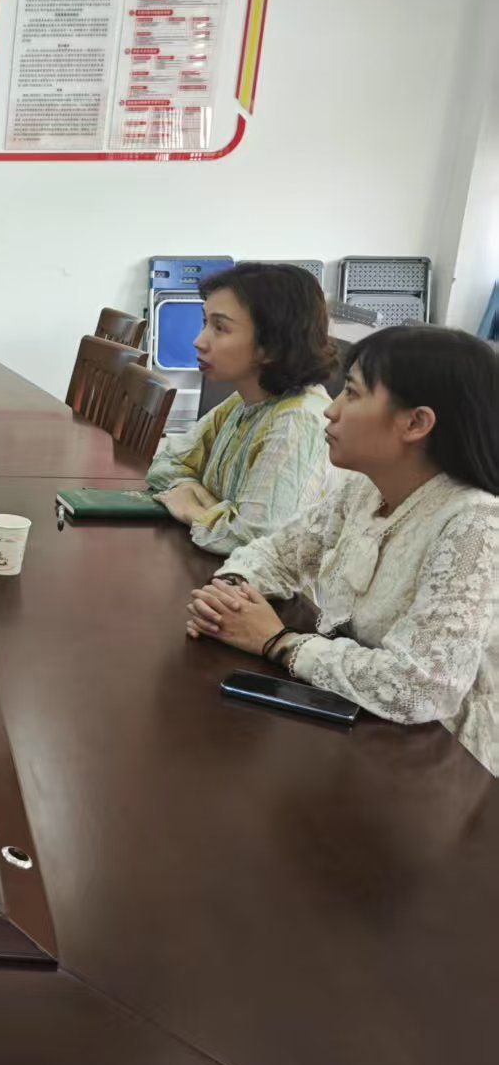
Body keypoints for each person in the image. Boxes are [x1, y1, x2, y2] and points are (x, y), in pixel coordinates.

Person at [187, 326, 499, 772]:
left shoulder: (474, 524)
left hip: (444, 763)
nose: (331, 410)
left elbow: (421, 688)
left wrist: (277, 641)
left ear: (416, 423)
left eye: (351, 394)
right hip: (360, 726)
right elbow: (276, 553)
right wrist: (231, 595)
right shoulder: (365, 490)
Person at [147, 262, 339, 554]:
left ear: (272, 345)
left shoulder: (298, 421)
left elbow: (257, 541)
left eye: (220, 328)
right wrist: (196, 493)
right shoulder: (245, 400)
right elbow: (165, 463)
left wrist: (190, 509)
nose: (199, 341)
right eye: (205, 323)